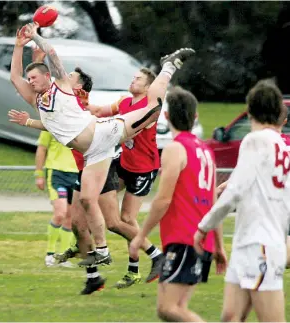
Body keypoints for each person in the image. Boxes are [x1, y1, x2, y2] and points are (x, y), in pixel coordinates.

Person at [10, 20, 195, 266]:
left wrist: (36, 36)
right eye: (29, 79)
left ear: (47, 77)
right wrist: (18, 45)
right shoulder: (39, 102)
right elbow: (15, 77)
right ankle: (102, 251)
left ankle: (168, 67)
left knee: (153, 108)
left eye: (33, 77)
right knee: (87, 200)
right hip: (93, 154)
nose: (29, 81)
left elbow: (50, 55)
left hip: (105, 134)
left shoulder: (63, 86)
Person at [194, 79, 290, 322]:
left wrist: (204, 226)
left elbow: (233, 193)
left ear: (250, 110)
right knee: (230, 317)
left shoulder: (254, 140)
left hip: (259, 243)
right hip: (250, 242)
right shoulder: (281, 145)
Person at [129, 86, 227, 322]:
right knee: (175, 308)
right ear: (195, 117)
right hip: (200, 238)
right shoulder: (205, 150)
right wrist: (220, 245)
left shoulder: (175, 149)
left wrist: (141, 235)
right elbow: (213, 203)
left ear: (166, 116)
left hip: (185, 238)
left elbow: (163, 199)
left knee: (170, 308)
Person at [87, 67, 163, 288]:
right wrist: (82, 106)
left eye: (138, 79)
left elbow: (127, 132)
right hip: (124, 164)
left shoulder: (149, 110)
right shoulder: (123, 102)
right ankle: (138, 266)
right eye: (133, 77)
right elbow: (100, 111)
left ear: (149, 87)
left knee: (126, 220)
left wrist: (101, 135)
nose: (133, 81)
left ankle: (151, 260)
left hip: (143, 170)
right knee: (108, 214)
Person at [35, 130, 78, 268]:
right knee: (60, 213)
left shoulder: (81, 121)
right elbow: (42, 148)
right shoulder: (50, 124)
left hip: (76, 174)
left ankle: (63, 257)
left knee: (70, 218)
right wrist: (39, 173)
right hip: (56, 174)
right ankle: (50, 253)